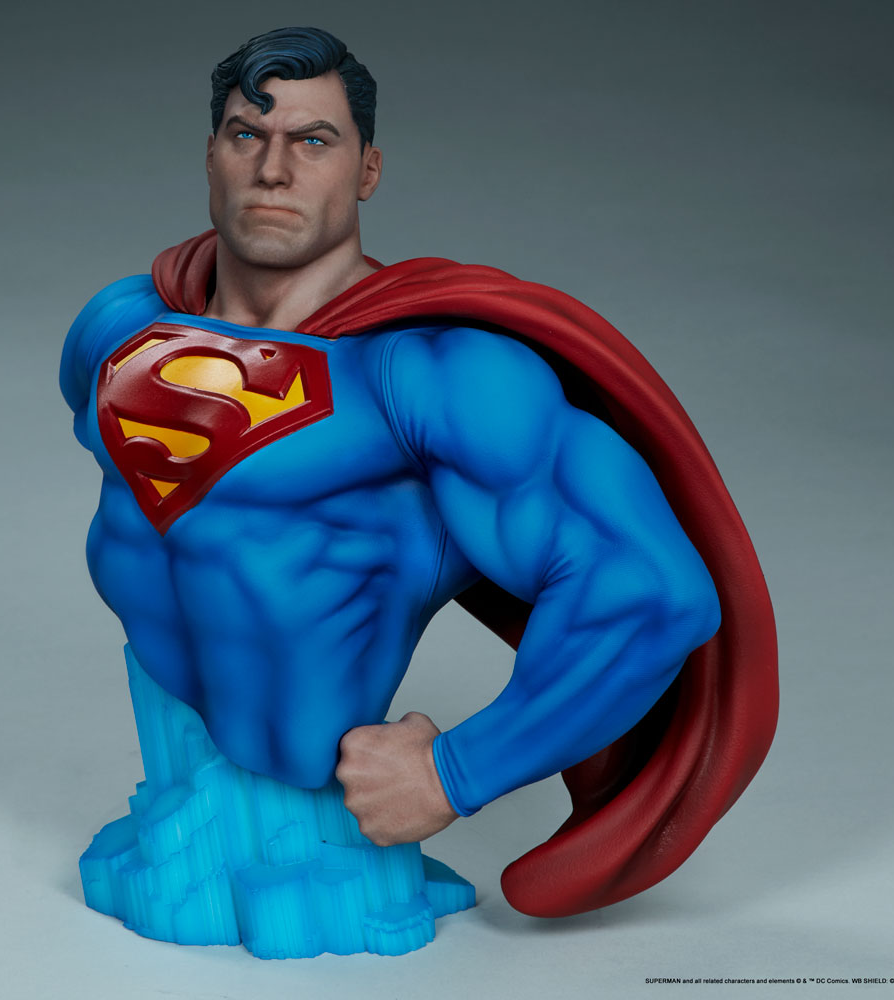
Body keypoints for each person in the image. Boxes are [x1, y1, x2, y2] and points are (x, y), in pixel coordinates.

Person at [61, 26, 777, 959]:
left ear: (367, 169)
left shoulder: (433, 377)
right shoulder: (118, 327)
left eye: (312, 140)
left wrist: (454, 772)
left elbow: (650, 593)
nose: (273, 169)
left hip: (324, 831)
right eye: (247, 135)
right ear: (211, 155)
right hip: (182, 780)